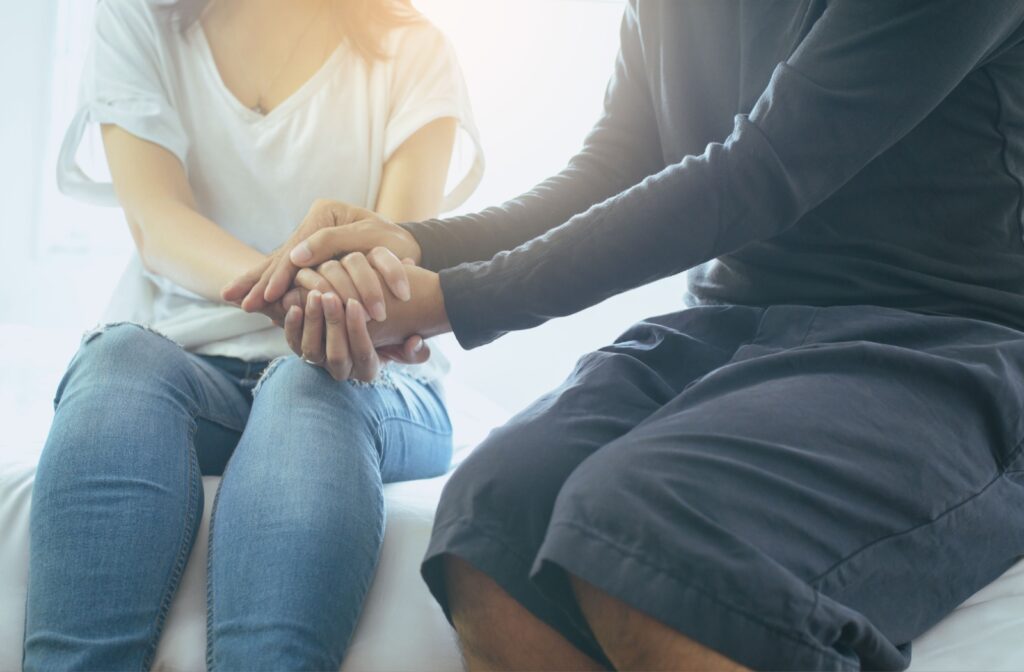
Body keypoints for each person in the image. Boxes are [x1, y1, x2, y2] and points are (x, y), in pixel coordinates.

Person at [228, 1, 1024, 670]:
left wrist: (456, 299)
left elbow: (763, 169)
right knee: (493, 524)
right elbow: (617, 164)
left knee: (647, 534)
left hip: (944, 340)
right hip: (737, 326)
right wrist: (415, 249)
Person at [24, 0, 482, 669]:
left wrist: (310, 305)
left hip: (354, 369)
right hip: (184, 357)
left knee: (306, 388)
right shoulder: (139, 18)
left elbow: (395, 267)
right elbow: (156, 222)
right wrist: (291, 290)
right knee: (118, 360)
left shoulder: (414, 49)